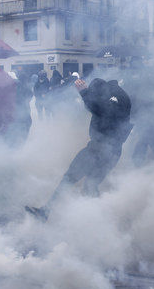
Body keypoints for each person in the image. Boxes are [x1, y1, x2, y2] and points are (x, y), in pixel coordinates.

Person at [25, 77, 133, 222]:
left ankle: (100, 221)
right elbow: (95, 108)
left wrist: (84, 93)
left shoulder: (115, 97)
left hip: (103, 149)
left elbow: (104, 111)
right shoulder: (112, 94)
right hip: (105, 149)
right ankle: (100, 222)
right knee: (89, 184)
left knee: (77, 180)